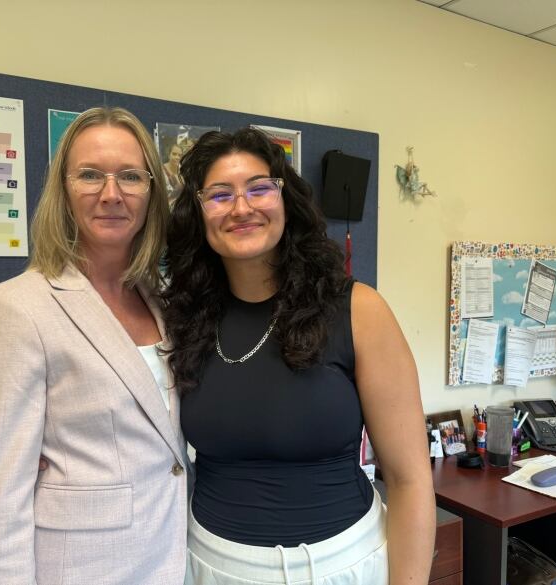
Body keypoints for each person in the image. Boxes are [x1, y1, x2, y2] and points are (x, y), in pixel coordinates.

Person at [161, 128, 436, 585]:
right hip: (211, 565)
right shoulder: (182, 319)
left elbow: (410, 481)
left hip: (340, 565)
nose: (242, 207)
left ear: (285, 199)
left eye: (259, 187)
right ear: (199, 211)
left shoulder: (358, 310)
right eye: (220, 194)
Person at [0, 106, 189, 585]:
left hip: (175, 559)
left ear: (151, 192)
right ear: (62, 190)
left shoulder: (164, 303)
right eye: (89, 175)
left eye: (130, 176)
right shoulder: (14, 309)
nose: (111, 194)